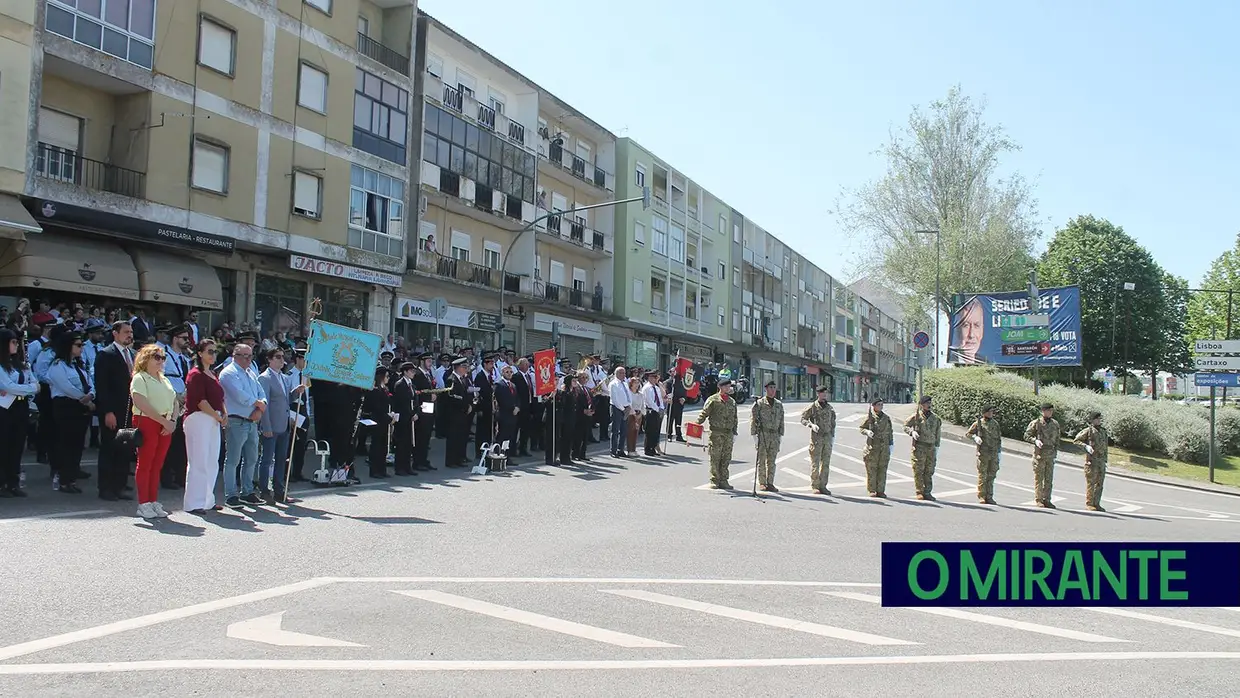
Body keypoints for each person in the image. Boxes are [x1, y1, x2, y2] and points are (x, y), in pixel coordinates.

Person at [129, 343, 178, 519]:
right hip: (147, 421)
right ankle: (143, 503)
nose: (161, 361)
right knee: (146, 463)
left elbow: (175, 401)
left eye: (162, 358)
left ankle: (153, 500)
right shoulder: (140, 378)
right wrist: (164, 421)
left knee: (157, 464)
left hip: (164, 422)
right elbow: (141, 402)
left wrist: (172, 421)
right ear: (146, 359)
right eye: (156, 357)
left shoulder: (164, 378)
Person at [219, 342, 268, 508]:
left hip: (252, 421)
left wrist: (260, 409)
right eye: (245, 356)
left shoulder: (251, 373)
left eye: (250, 356)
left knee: (252, 458)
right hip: (236, 420)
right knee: (233, 459)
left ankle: (247, 492)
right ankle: (231, 495)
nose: (249, 359)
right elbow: (239, 395)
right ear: (235, 356)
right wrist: (258, 404)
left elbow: (261, 393)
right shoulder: (228, 373)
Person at [46, 331, 95, 494]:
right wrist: (85, 399)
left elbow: (89, 382)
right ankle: (64, 480)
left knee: (77, 444)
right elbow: (66, 387)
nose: (81, 348)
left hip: (81, 406)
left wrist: (91, 395)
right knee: (66, 444)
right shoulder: (57, 365)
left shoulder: (78, 365)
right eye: (78, 345)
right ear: (68, 346)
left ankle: (72, 477)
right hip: (66, 406)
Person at [92, 320, 135, 501]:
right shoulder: (106, 354)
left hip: (129, 411)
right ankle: (106, 488)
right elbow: (102, 386)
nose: (130, 335)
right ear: (115, 333)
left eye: (131, 332)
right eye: (126, 332)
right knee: (109, 448)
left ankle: (119, 485)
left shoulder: (132, 354)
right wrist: (107, 411)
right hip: (113, 411)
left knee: (124, 449)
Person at [183, 339, 226, 514]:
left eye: (215, 351)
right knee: (198, 461)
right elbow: (200, 401)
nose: (213, 355)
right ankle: (194, 502)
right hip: (199, 418)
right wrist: (218, 415)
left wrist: (224, 414)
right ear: (200, 353)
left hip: (213, 419)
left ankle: (208, 499)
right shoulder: (195, 374)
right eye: (209, 351)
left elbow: (220, 398)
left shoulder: (213, 374)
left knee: (211, 461)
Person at [0, 328, 38, 497]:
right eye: (13, 342)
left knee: (17, 447)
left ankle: (13, 483)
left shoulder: (21, 364)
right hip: (5, 409)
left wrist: (26, 389)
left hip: (21, 408)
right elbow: (8, 386)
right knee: (4, 447)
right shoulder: (1, 365)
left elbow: (36, 384)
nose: (16, 345)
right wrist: (28, 389)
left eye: (17, 342)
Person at [257, 348, 296, 501]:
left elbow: (286, 400)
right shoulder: (264, 378)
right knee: (267, 460)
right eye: (278, 357)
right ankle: (264, 491)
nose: (282, 360)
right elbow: (264, 404)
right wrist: (265, 426)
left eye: (283, 357)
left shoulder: (285, 378)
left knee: (281, 459)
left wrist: (295, 393)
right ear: (269, 359)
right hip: (271, 425)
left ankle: (279, 490)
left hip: (283, 424)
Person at [695, 377, 738, 489]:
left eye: (729, 386)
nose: (728, 388)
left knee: (726, 457)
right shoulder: (713, 400)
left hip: (728, 433)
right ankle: (714, 479)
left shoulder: (732, 402)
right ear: (720, 387)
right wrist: (696, 424)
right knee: (715, 457)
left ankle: (724, 480)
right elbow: (704, 413)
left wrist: (735, 432)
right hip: (716, 433)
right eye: (725, 386)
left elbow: (735, 418)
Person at [903, 395, 943, 501]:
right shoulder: (916, 417)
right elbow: (906, 426)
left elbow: (937, 433)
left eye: (930, 403)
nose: (929, 405)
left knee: (929, 471)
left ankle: (928, 492)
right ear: (921, 405)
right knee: (919, 470)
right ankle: (919, 491)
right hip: (920, 446)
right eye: (926, 403)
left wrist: (937, 446)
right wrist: (912, 432)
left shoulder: (936, 418)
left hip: (931, 447)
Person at [799, 385, 837, 495]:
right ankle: (815, 485)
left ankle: (823, 485)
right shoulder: (813, 407)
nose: (824, 395)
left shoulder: (830, 408)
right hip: (817, 439)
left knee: (826, 463)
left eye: (826, 393)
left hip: (827, 438)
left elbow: (833, 423)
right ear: (818, 394)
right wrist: (811, 425)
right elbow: (803, 419)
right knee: (815, 463)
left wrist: (832, 436)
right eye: (822, 393)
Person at [1023, 403, 1061, 508]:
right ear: (1043, 411)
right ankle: (1039, 499)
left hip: (1050, 455)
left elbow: (1057, 440)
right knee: (1039, 478)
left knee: (1049, 479)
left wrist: (1055, 453)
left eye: (1051, 411)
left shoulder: (1055, 424)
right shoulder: (1036, 423)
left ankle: (1047, 499)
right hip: (1039, 455)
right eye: (1048, 411)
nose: (1050, 413)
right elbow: (1026, 435)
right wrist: (1035, 441)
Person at [750, 381, 785, 492]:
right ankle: (762, 482)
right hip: (763, 434)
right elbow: (753, 419)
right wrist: (754, 435)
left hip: (774, 434)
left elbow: (781, 420)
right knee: (762, 459)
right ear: (766, 389)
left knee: (772, 460)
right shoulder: (759, 403)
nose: (773, 390)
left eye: (774, 387)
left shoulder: (779, 404)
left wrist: (780, 435)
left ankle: (770, 483)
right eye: (771, 387)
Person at [361, 365, 394, 479]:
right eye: (387, 376)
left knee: (384, 446)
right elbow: (377, 408)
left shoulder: (384, 389)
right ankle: (375, 470)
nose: (388, 378)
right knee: (376, 446)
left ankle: (382, 469)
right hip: (377, 421)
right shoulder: (374, 390)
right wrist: (389, 418)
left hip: (384, 421)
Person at [965, 405, 1002, 504]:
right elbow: (968, 434)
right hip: (983, 453)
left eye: (992, 412)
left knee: (992, 475)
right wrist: (975, 437)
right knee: (983, 475)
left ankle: (989, 496)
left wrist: (999, 452)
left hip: (993, 453)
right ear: (984, 413)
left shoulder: (995, 424)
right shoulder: (978, 423)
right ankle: (982, 496)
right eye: (989, 412)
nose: (991, 413)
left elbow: (998, 439)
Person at [1073, 411, 1109, 512]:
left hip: (1101, 461)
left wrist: (1105, 460)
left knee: (1099, 483)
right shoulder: (1088, 431)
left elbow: (1105, 447)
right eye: (1097, 419)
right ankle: (1089, 503)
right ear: (1092, 420)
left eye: (1100, 419)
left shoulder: (1103, 431)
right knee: (1091, 483)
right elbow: (1076, 441)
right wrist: (1086, 447)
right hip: (1092, 461)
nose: (1099, 420)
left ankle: (1097, 503)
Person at [858, 398, 893, 498]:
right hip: (873, 447)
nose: (881, 406)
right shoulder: (870, 417)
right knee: (872, 469)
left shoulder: (886, 418)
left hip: (884, 448)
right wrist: (867, 432)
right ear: (873, 406)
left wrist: (891, 443)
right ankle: (872, 489)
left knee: (882, 469)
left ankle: (881, 490)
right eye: (878, 405)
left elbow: (890, 431)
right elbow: (861, 428)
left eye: (882, 404)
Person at [443, 357, 473, 468]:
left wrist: (470, 405)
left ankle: (458, 458)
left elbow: (465, 395)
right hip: (454, 413)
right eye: (463, 367)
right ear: (457, 368)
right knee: (453, 438)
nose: (466, 369)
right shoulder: (452, 380)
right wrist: (465, 406)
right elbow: (453, 398)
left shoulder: (462, 379)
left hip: (462, 413)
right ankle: (451, 461)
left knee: (460, 437)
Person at [391, 361, 417, 476]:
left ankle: (407, 467)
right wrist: (411, 414)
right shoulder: (400, 384)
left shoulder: (412, 384)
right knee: (401, 443)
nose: (413, 373)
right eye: (411, 371)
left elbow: (414, 401)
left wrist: (416, 412)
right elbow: (402, 403)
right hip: (402, 418)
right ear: (405, 372)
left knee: (408, 444)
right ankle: (399, 467)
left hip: (410, 418)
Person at [607, 366, 632, 459]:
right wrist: (623, 409)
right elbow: (615, 399)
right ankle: (613, 450)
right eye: (621, 373)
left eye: (624, 373)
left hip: (626, 408)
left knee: (624, 430)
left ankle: (620, 449)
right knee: (615, 430)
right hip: (617, 408)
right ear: (616, 373)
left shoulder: (625, 383)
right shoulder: (613, 384)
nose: (623, 375)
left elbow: (628, 395)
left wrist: (629, 406)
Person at [639, 372, 664, 456]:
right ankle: (648, 449)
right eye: (653, 377)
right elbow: (649, 401)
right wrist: (657, 409)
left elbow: (659, 399)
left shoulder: (656, 388)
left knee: (656, 430)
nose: (654, 379)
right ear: (649, 378)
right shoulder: (646, 388)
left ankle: (653, 448)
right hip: (650, 411)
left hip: (656, 411)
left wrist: (661, 408)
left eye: (655, 377)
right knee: (649, 430)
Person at [626, 376, 644, 456]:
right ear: (631, 384)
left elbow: (643, 405)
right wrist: (634, 414)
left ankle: (634, 449)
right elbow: (629, 404)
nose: (637, 385)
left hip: (639, 414)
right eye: (635, 383)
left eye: (638, 383)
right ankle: (630, 450)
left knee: (636, 432)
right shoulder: (629, 393)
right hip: (631, 414)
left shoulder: (640, 394)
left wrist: (641, 413)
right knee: (630, 432)